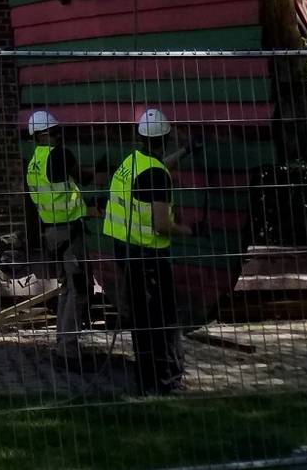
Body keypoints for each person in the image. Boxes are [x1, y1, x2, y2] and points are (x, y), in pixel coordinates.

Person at [103, 107, 194, 394]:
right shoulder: (156, 176)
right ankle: (168, 382)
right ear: (165, 138)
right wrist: (188, 230)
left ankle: (146, 381)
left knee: (141, 319)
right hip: (148, 255)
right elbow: (161, 225)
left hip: (125, 250)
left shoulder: (132, 162)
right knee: (164, 320)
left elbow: (152, 175)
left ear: (140, 137)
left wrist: (182, 154)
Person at [24, 108, 91, 369]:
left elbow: (58, 193)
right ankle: (69, 352)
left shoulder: (34, 162)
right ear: (50, 133)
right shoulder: (60, 156)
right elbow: (82, 178)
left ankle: (63, 343)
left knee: (66, 288)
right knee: (78, 290)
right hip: (69, 232)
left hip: (52, 232)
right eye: (56, 131)